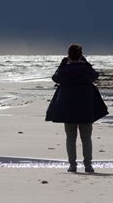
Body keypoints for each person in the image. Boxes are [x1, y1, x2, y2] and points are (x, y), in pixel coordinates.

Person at [46, 44, 108, 173]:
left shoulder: (65, 69)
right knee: (86, 137)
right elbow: (95, 75)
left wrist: (62, 65)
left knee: (70, 137)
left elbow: (55, 78)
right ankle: (88, 165)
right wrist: (86, 62)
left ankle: (72, 165)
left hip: (68, 107)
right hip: (85, 107)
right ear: (81, 55)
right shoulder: (85, 69)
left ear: (68, 55)